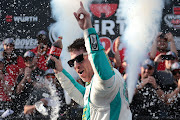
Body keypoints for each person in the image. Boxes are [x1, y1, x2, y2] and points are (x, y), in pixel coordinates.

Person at [50, 2, 132, 120]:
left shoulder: (106, 80)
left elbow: (97, 57)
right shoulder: (93, 87)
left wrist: (88, 29)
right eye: (72, 62)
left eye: (79, 59)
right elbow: (79, 93)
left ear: (90, 57)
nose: (76, 65)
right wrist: (59, 71)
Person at [13, 51, 44, 115]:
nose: (28, 61)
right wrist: (25, 77)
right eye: (26, 59)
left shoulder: (41, 73)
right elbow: (18, 91)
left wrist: (30, 80)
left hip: (37, 106)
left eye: (30, 59)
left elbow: (42, 87)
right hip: (23, 108)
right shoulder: (22, 74)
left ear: (35, 59)